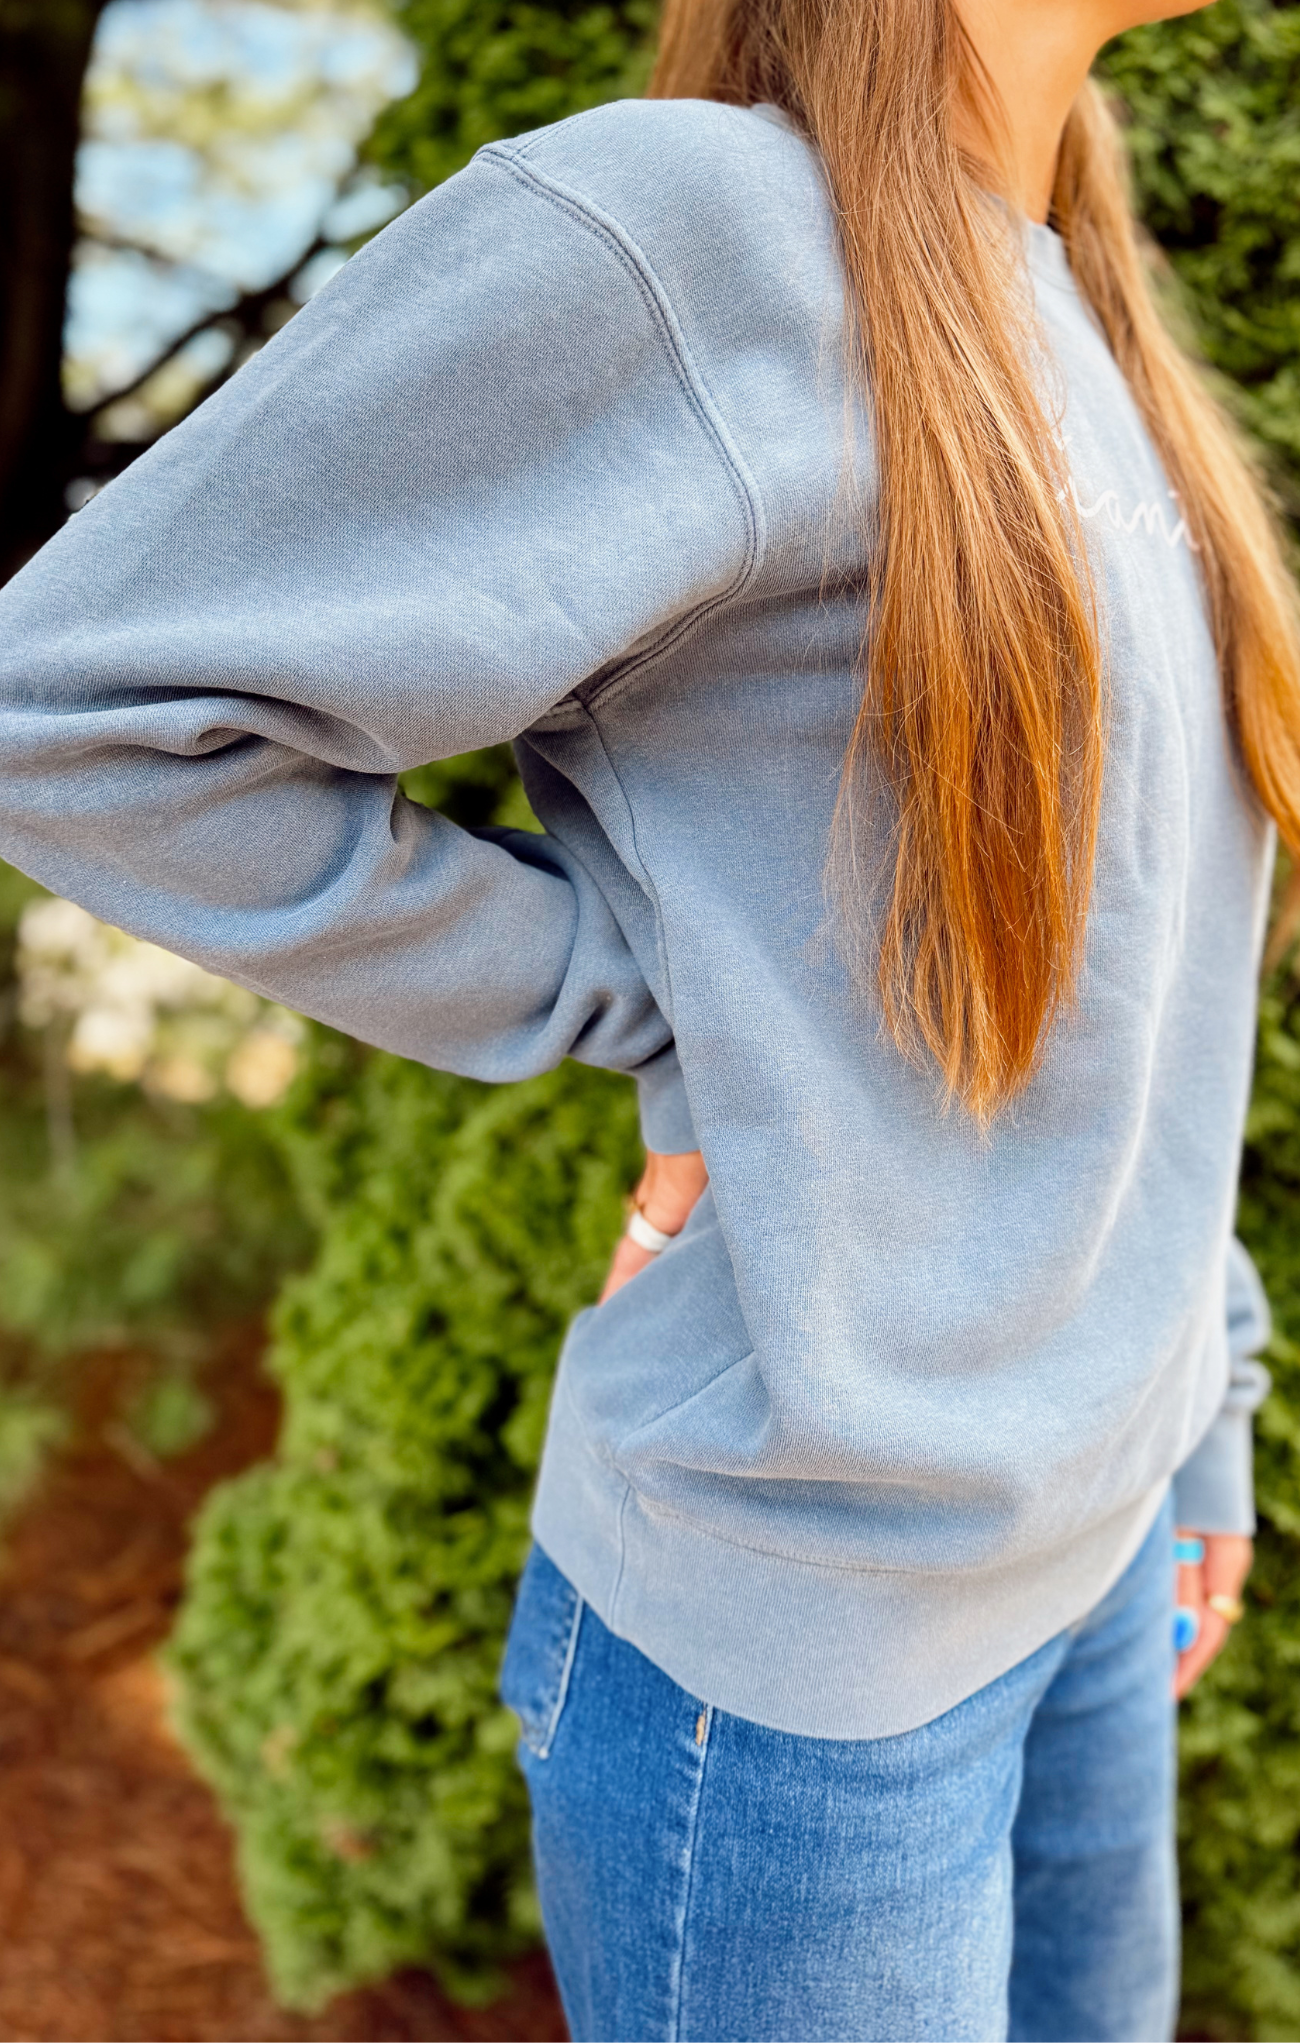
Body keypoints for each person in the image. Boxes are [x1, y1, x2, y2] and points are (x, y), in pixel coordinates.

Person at [0, 0, 1294, 2029]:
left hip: (1099, 1562)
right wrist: (656, 1010)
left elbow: (1136, 984)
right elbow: (77, 718)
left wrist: (1202, 1406)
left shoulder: (1092, 314)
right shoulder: (694, 241)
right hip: (800, 1679)